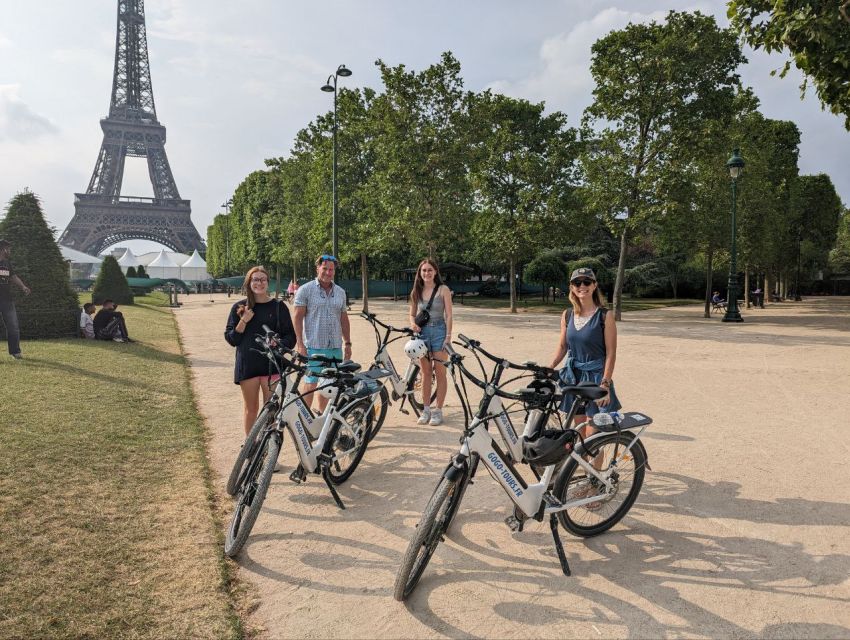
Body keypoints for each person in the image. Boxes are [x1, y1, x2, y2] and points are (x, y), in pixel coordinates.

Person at [225, 266, 296, 436]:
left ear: (268, 282)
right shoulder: (239, 307)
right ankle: (250, 450)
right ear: (249, 283)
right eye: (255, 279)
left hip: (272, 365)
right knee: (251, 409)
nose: (259, 283)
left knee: (271, 410)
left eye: (263, 279)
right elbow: (232, 339)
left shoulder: (279, 306)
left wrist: (278, 342)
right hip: (248, 364)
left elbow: (291, 338)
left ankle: (268, 448)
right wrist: (243, 321)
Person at [548, 267, 621, 432]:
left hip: (596, 378)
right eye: (577, 282)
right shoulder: (567, 315)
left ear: (594, 285)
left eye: (587, 282)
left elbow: (611, 353)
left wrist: (605, 384)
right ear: (572, 287)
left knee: (593, 433)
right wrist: (550, 367)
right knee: (578, 430)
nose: (582, 286)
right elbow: (563, 346)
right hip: (574, 377)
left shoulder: (604, 316)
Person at [293, 254, 351, 413]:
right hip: (313, 346)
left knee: (329, 384)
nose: (328, 272)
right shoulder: (305, 290)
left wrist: (347, 343)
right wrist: (300, 344)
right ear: (317, 268)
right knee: (310, 383)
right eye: (324, 268)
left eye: (331, 269)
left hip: (334, 347)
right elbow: (297, 318)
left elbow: (344, 319)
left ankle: (320, 415)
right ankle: (304, 418)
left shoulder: (340, 292)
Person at [409, 258, 453, 426]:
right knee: (426, 372)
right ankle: (426, 409)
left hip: (439, 332)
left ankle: (438, 410)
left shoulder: (443, 290)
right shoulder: (416, 291)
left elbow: (448, 314)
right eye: (424, 270)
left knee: (440, 372)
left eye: (429, 270)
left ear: (435, 272)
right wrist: (413, 324)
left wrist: (448, 336)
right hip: (422, 334)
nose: (426, 273)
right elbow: (412, 314)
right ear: (420, 273)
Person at [0, 238, 31, 359]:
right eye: (9, 248)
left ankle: (15, 352)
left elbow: (13, 277)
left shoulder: (7, 264)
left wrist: (23, 287)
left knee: (13, 326)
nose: (10, 251)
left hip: (7, 300)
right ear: (3, 249)